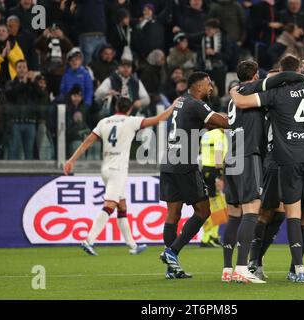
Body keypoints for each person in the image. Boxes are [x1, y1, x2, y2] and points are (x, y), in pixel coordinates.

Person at [229, 56, 304, 283]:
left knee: (288, 213)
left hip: (285, 161)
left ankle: (298, 269)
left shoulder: (275, 95)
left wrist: (235, 91)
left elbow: (242, 103)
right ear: (299, 71)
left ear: (281, 73)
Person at [222, 61, 304, 284]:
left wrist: (231, 89)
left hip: (232, 157)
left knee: (235, 214)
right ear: (256, 75)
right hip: (248, 155)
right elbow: (280, 78)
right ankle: (242, 267)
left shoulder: (236, 95)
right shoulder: (252, 89)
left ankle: (228, 268)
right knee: (252, 210)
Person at [63, 97, 176, 256]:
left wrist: (71, 160)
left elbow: (87, 141)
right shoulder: (130, 121)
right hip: (118, 170)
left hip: (106, 169)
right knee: (110, 205)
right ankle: (89, 240)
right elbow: (159, 119)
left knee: (121, 206)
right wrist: (172, 105)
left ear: (115, 106)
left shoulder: (104, 122)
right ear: (129, 109)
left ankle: (133, 245)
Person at [159, 71, 229, 279]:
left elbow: (206, 123)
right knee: (203, 210)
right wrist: (243, 115)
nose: (210, 87)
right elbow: (222, 122)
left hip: (169, 161)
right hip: (184, 164)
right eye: (208, 84)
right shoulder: (197, 104)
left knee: (173, 214)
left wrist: (218, 121)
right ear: (198, 87)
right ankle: (172, 251)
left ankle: (172, 267)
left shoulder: (182, 101)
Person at [200, 127, 228, 248]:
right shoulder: (218, 135)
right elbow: (218, 154)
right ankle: (208, 237)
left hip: (205, 169)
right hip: (214, 170)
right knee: (217, 206)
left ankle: (212, 236)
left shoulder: (206, 134)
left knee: (213, 205)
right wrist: (220, 174)